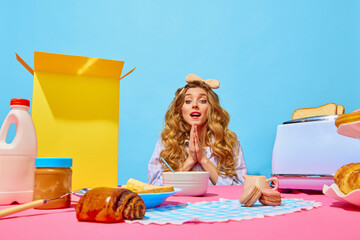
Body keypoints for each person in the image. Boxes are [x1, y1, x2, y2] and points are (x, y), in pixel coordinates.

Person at [148, 74, 247, 185]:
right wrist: (190, 161)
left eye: (203, 101)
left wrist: (203, 159)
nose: (195, 105)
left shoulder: (230, 142)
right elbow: (154, 187)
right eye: (188, 101)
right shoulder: (166, 143)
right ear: (180, 109)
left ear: (211, 108)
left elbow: (240, 189)